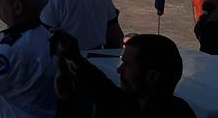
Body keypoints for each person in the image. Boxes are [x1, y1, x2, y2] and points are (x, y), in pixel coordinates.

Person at [51, 29, 197, 117]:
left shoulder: (123, 111)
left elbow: (108, 95)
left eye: (127, 65)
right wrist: (76, 58)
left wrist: (65, 100)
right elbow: (105, 88)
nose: (119, 70)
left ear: (152, 77)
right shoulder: (179, 108)